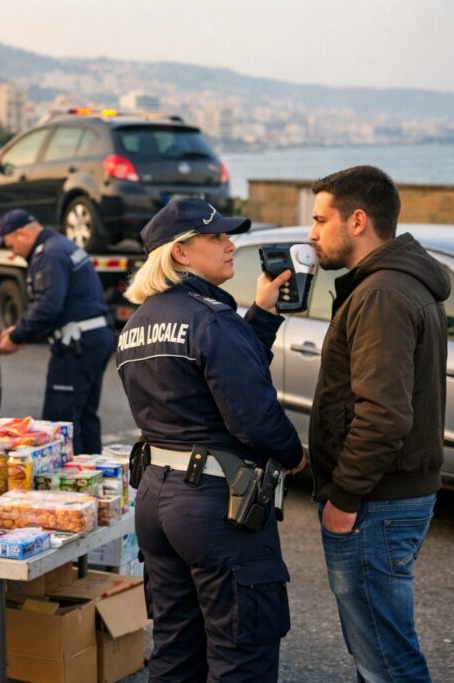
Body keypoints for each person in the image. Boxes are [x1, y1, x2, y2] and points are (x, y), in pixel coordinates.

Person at [116, 197, 305, 682]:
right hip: (217, 507)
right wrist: (296, 456)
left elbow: (205, 384)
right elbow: (253, 417)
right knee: (240, 655)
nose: (230, 245)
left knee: (176, 650)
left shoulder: (138, 323)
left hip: (157, 499)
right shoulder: (212, 321)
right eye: (217, 237)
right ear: (180, 253)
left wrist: (261, 314)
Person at [307, 165, 446, 683]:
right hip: (386, 499)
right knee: (378, 651)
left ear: (358, 220)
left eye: (321, 220)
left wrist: (344, 499)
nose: (311, 233)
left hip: (375, 504)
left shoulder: (382, 295)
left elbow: (384, 414)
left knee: (386, 661)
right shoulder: (390, 284)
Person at [0, 209, 115, 454]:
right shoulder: (61, 245)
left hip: (76, 343)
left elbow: (48, 306)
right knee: (85, 415)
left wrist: (17, 336)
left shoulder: (48, 254)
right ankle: (94, 477)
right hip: (94, 337)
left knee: (61, 422)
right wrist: (23, 329)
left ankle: (72, 487)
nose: (13, 252)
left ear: (22, 234)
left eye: (10, 245)